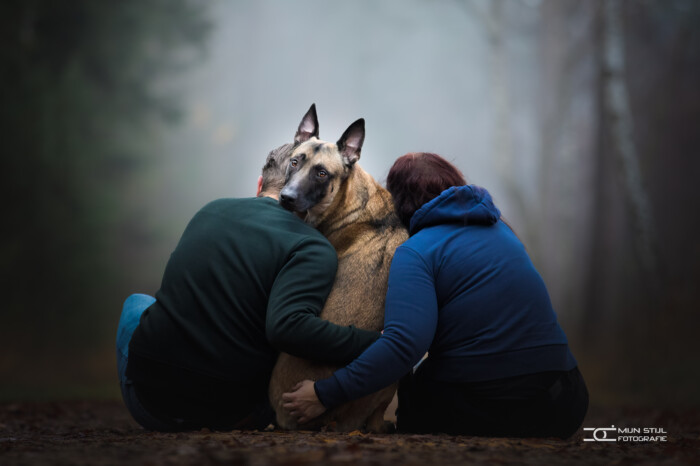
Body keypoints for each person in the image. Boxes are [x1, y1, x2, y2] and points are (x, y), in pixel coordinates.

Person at [282, 152, 589, 438]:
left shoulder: (418, 251)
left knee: (418, 390)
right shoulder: (503, 230)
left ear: (398, 201)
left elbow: (404, 346)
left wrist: (325, 394)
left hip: (496, 407)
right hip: (566, 399)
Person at [116, 141, 380, 431]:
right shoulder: (312, 247)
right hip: (233, 413)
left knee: (138, 304)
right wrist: (374, 342)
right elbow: (289, 328)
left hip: (148, 403)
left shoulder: (210, 210)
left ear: (259, 184)